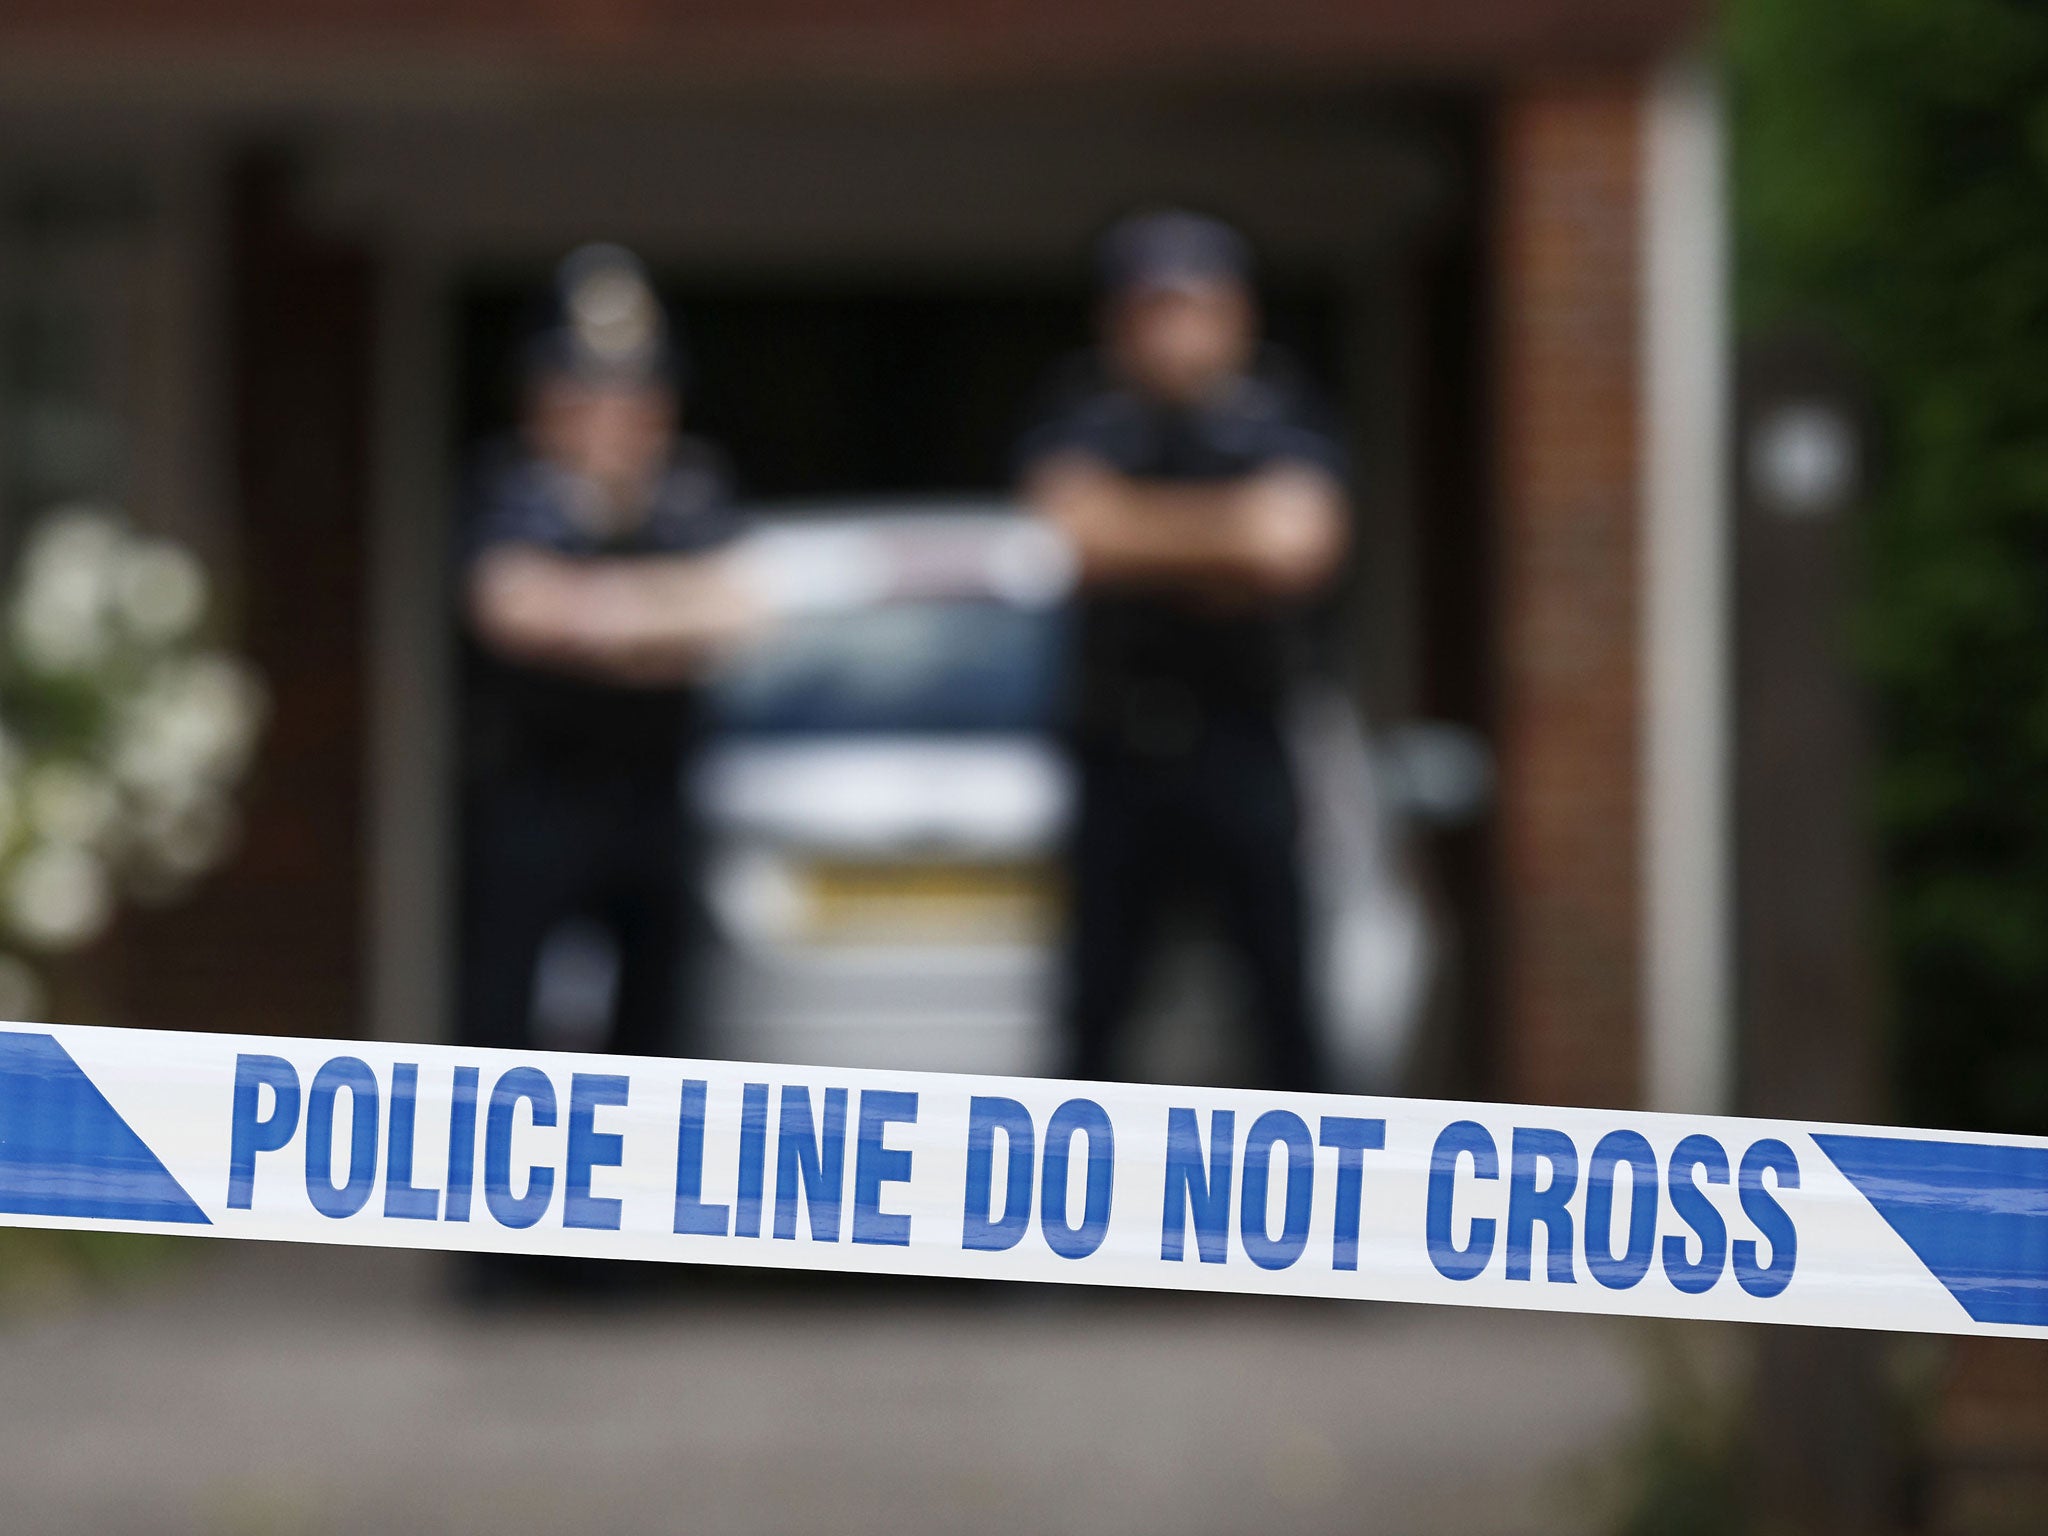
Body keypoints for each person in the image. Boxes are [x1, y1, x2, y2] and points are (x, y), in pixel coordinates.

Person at [1017, 210, 1350, 1091]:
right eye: (1152, 311)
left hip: (1244, 743)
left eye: (1192, 308)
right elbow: (1071, 534)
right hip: (1118, 748)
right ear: (1118, 324)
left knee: (1284, 1001)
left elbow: (1296, 545)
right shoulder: (1084, 414)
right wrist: (1225, 540)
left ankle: (1319, 1214)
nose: (1172, 334)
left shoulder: (1281, 411)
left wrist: (1142, 537)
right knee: (1095, 1014)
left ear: (1236, 315)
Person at [458, 244, 758, 1075]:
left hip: (658, 793)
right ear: (541, 400)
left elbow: (738, 612)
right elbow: (512, 609)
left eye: (632, 392)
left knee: (662, 1039)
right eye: (583, 391)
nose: (611, 416)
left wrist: (597, 615)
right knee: (500, 1022)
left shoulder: (695, 487)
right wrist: (663, 619)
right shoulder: (509, 487)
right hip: (541, 789)